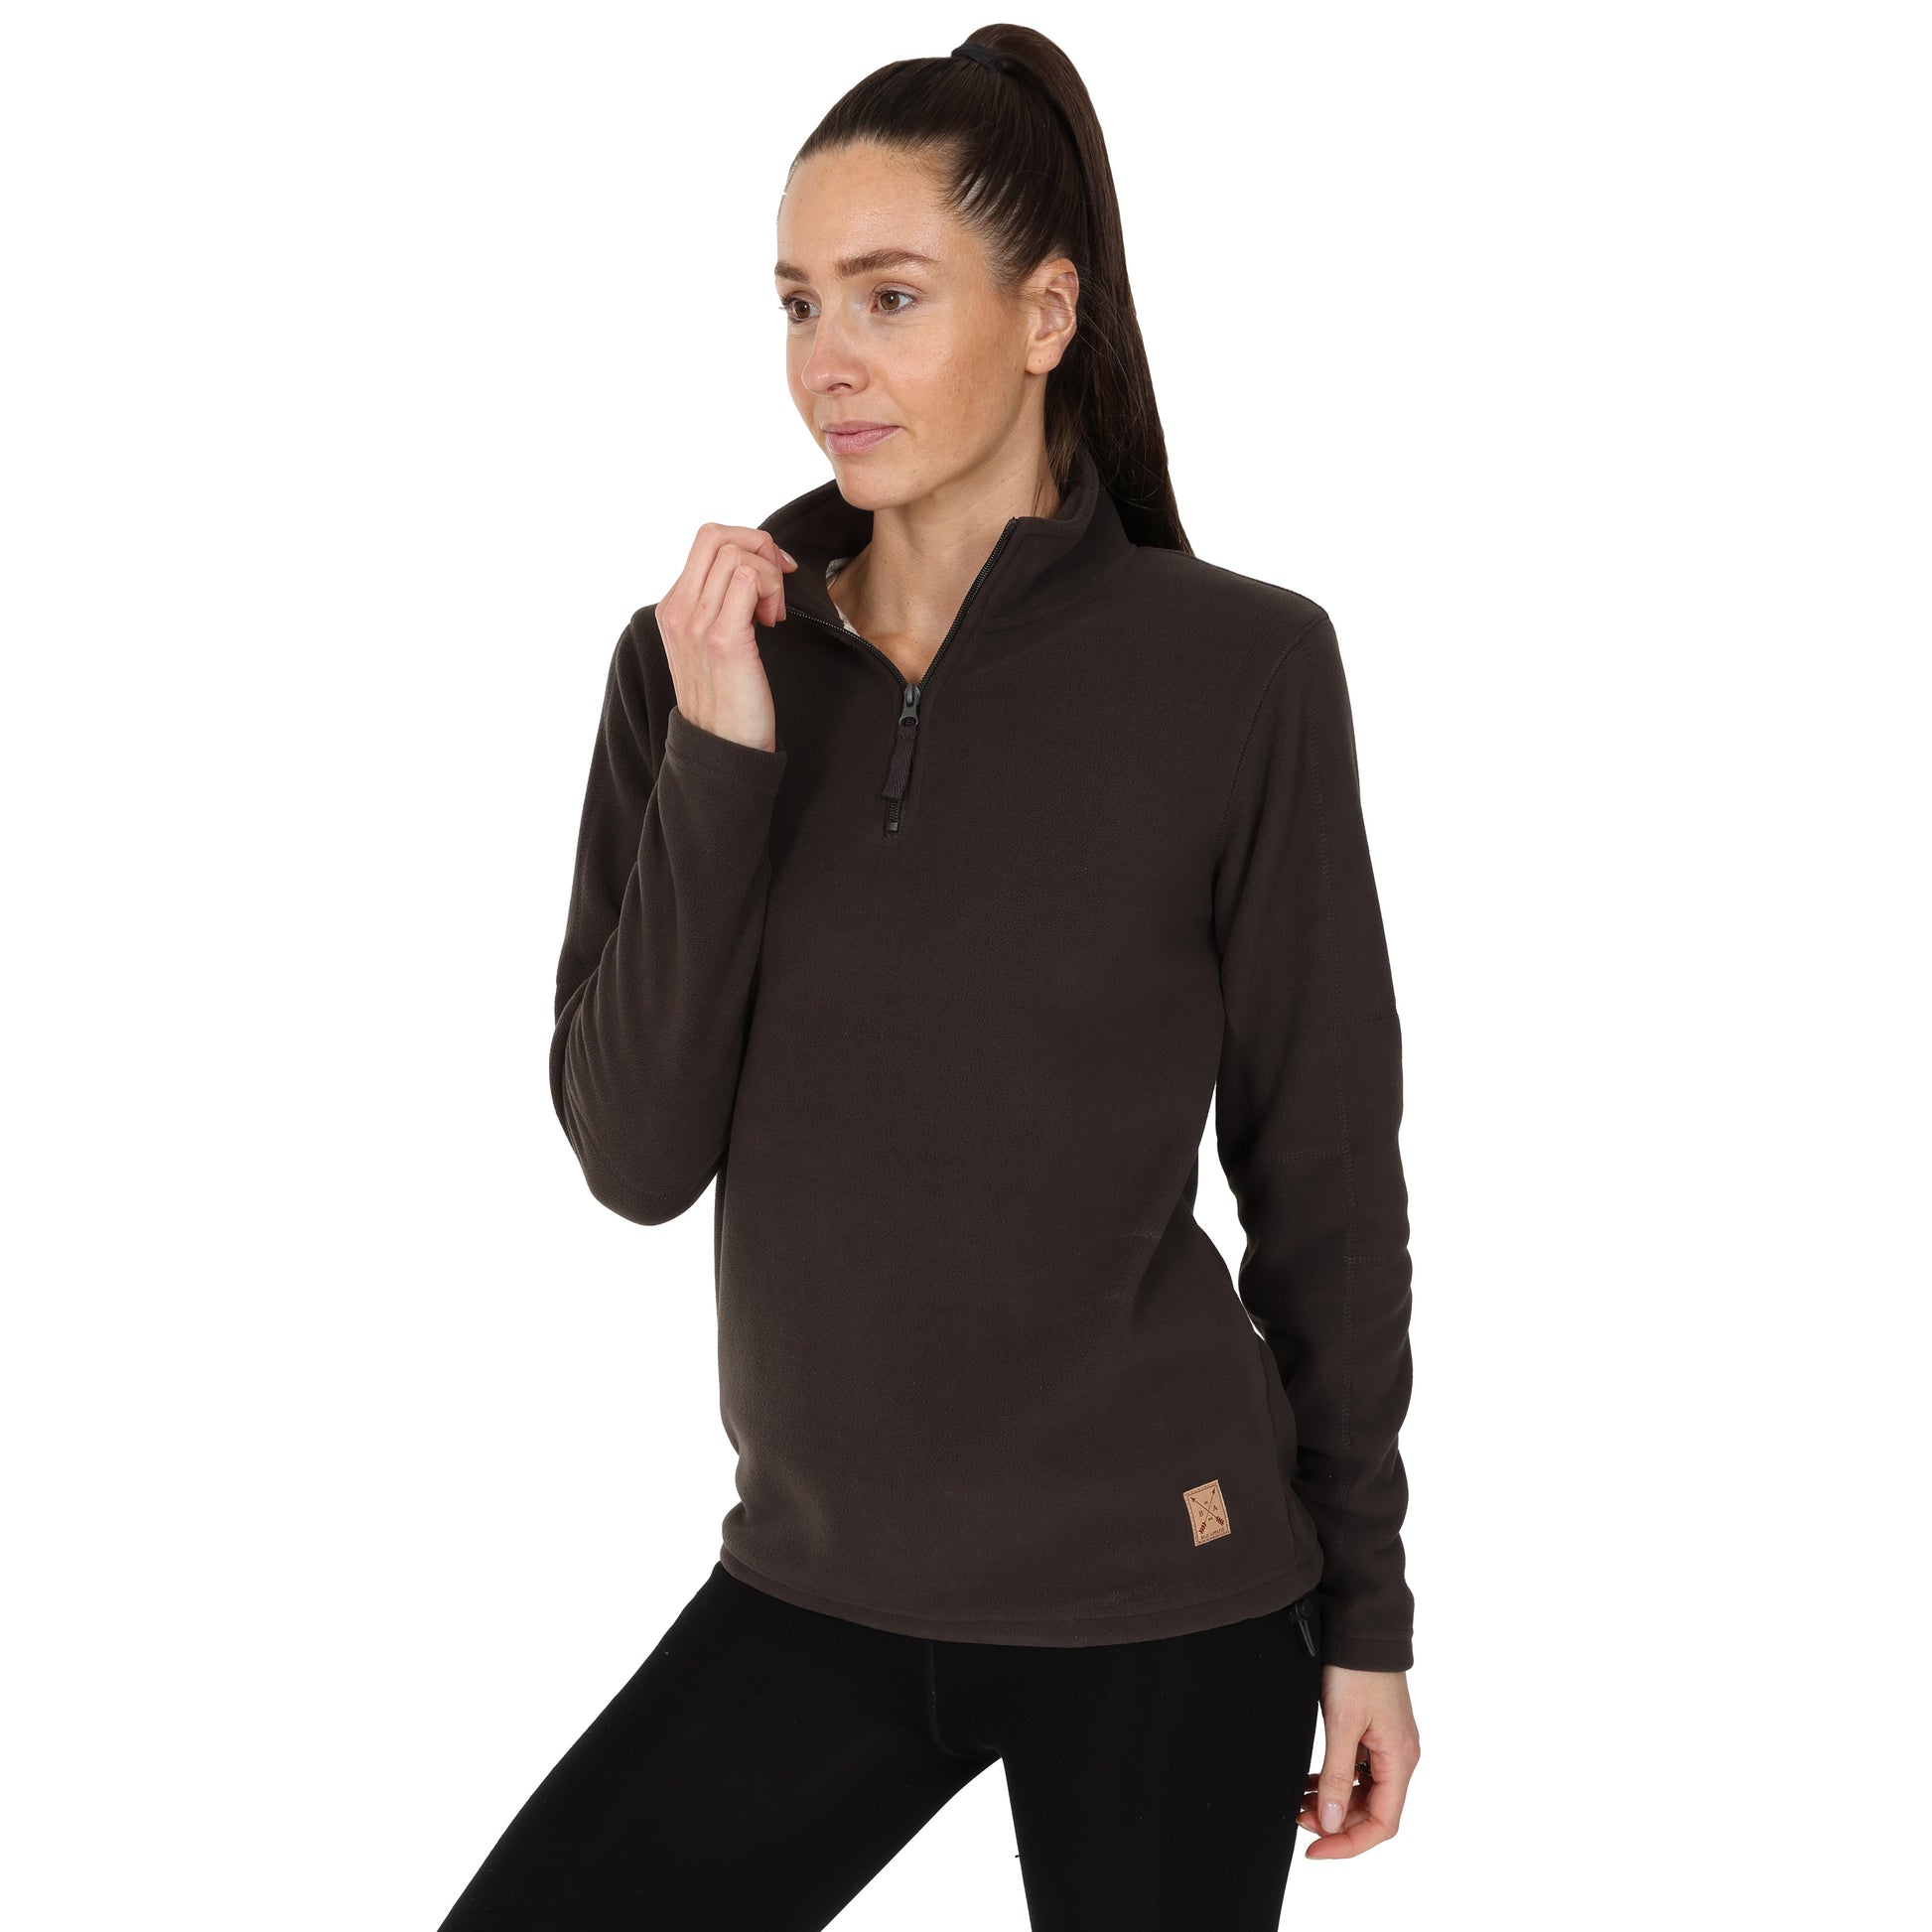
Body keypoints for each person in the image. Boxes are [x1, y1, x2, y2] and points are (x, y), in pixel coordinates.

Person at [438, 27, 1420, 1932]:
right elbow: (635, 1156)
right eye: (798, 301)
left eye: (890, 296)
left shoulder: (1239, 670)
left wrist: (1366, 1613)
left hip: (1170, 1587)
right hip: (816, 1586)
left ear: (1046, 312)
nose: (829, 358)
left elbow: (1322, 1168)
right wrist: (722, 753)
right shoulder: (697, 663)